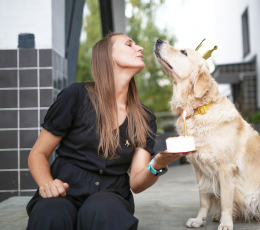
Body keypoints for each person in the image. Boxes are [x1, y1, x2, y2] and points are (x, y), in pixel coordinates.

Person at [26, 33, 190, 230]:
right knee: (52, 213)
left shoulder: (145, 117)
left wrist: (158, 164)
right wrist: (47, 184)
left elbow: (137, 183)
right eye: (129, 44)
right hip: (64, 190)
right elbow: (38, 153)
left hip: (111, 196)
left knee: (102, 209)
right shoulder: (75, 96)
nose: (139, 48)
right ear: (108, 56)